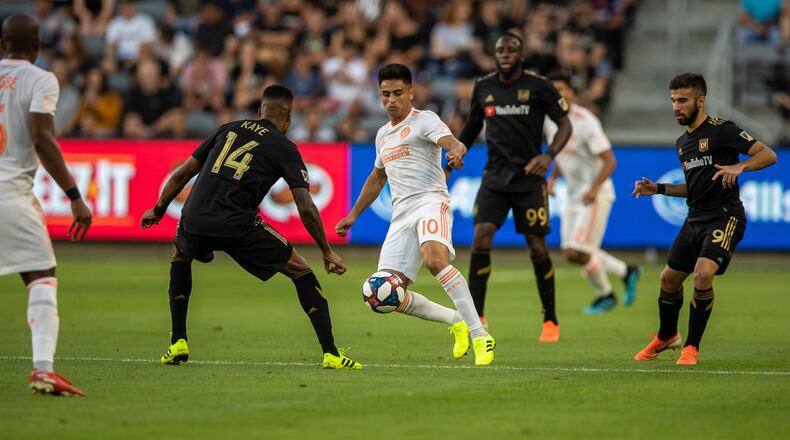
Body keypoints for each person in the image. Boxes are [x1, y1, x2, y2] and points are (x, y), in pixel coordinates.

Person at [140, 85, 361, 370]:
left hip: (195, 216)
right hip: (236, 222)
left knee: (181, 255)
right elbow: (305, 206)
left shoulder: (227, 129)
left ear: (260, 111)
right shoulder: (284, 147)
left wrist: (158, 209)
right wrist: (327, 250)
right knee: (300, 269)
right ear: (289, 116)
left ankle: (178, 341)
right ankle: (331, 353)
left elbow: (183, 173)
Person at [335, 63, 496, 366]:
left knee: (436, 261)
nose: (391, 100)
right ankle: (456, 321)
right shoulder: (383, 135)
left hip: (430, 201)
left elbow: (453, 142)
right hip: (402, 214)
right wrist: (353, 215)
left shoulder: (425, 121)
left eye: (398, 93)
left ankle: (479, 334)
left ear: (411, 92)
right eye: (385, 94)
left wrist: (456, 152)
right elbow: (377, 178)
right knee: (384, 295)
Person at [632, 73, 777, 365]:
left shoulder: (722, 130)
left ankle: (691, 346)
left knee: (703, 274)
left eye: (682, 100)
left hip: (725, 216)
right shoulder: (682, 142)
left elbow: (769, 154)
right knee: (668, 280)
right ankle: (667, 335)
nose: (676, 107)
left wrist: (741, 166)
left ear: (700, 100)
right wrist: (658, 189)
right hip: (695, 217)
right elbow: (693, 187)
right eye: (673, 101)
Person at [453, 32, 572, 342]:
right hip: (494, 178)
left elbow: (566, 125)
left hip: (529, 180)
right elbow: (472, 127)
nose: (505, 54)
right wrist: (457, 150)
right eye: (500, 50)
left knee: (537, 246)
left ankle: (551, 320)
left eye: (511, 50)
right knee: (481, 238)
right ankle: (477, 315)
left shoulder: (538, 86)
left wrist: (549, 156)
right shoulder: (483, 87)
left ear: (521, 55)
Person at [0, 14, 93, 396]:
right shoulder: (41, 79)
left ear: (3, 44)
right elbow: (42, 138)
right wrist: (74, 196)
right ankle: (42, 370)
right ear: (38, 46)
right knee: (41, 275)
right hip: (9, 192)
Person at [545, 72, 641, 314]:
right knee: (570, 253)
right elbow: (561, 152)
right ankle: (626, 271)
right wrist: (554, 178)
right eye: (554, 89)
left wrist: (594, 188)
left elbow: (610, 161)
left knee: (579, 251)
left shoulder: (586, 121)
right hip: (574, 194)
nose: (559, 94)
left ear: (572, 93)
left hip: (595, 194)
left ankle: (606, 295)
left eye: (563, 89)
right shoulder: (549, 121)